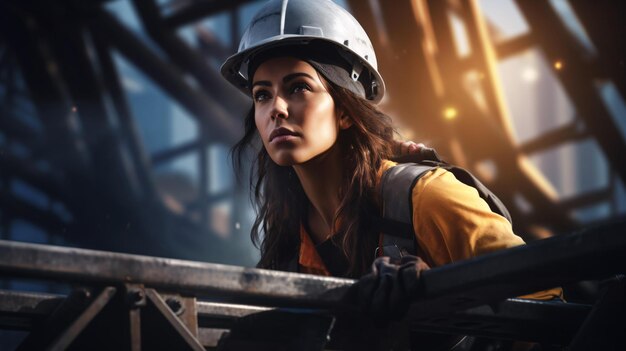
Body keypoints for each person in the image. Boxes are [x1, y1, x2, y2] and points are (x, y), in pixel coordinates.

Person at [222, 0, 561, 336]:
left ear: (345, 111)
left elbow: (545, 303)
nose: (276, 109)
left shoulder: (427, 196)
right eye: (262, 95)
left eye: (298, 87)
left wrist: (443, 295)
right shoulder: (288, 240)